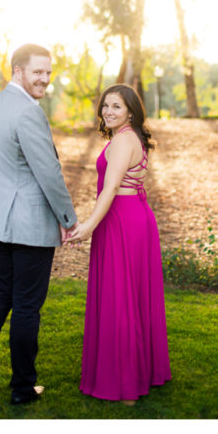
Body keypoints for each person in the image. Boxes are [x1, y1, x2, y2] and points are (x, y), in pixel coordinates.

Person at [0, 44, 79, 409]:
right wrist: (68, 219)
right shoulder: (28, 113)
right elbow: (48, 173)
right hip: (28, 223)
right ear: (18, 71)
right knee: (26, 307)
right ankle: (23, 386)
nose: (44, 78)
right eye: (37, 71)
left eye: (48, 72)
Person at [69, 84, 171, 403]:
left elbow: (110, 189)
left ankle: (126, 386)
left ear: (130, 110)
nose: (109, 111)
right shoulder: (131, 137)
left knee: (120, 298)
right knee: (134, 296)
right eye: (105, 106)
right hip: (135, 218)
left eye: (116, 106)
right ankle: (143, 372)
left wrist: (87, 226)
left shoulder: (123, 140)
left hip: (121, 222)